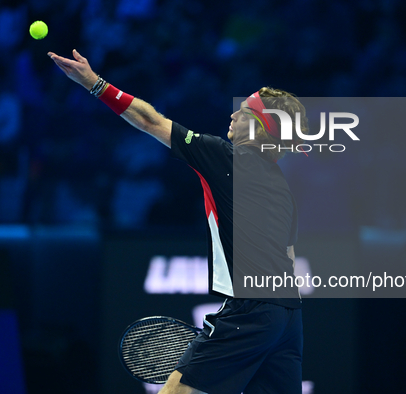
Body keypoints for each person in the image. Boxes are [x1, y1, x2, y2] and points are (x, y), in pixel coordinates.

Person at [48, 49, 306, 394]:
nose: (234, 114)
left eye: (244, 111)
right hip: (289, 317)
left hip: (251, 310)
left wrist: (95, 84)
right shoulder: (283, 187)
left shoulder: (227, 157)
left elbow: (151, 121)